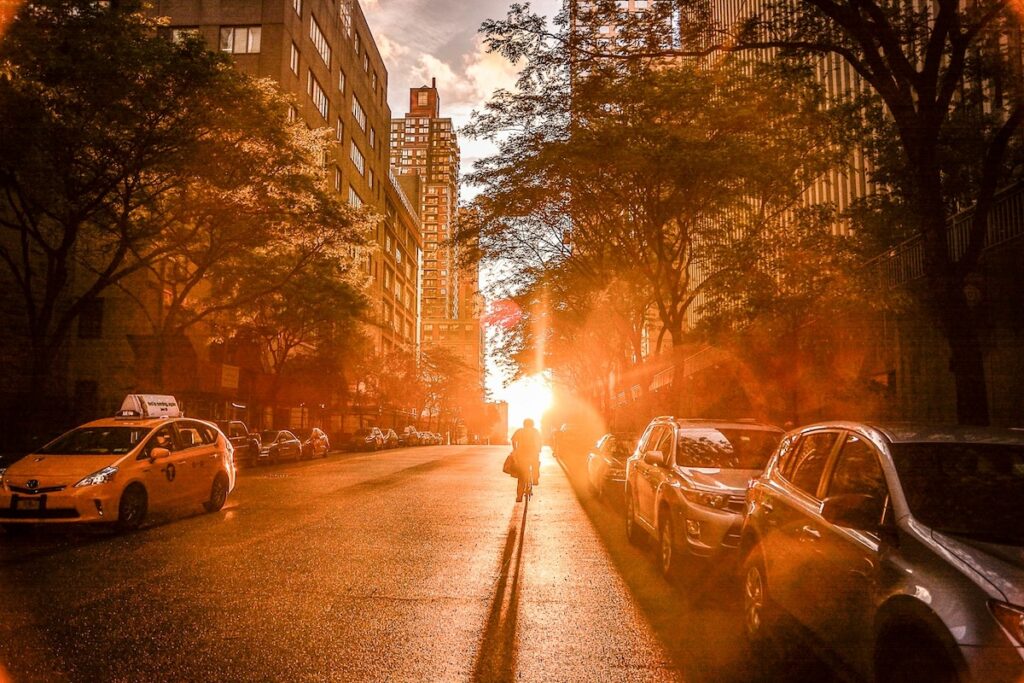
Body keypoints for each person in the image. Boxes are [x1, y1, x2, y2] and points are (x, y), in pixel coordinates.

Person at [511, 418, 542, 502]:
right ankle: (535, 478)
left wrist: (515, 449)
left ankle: (519, 497)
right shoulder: (535, 431)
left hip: (522, 454)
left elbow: (513, 440)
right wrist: (539, 449)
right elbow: (540, 441)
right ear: (532, 424)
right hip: (533, 453)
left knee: (521, 476)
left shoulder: (520, 431)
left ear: (524, 424)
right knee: (536, 464)